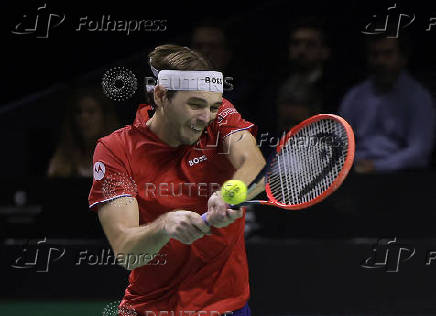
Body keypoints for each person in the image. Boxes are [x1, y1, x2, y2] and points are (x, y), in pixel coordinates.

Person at [88, 44, 266, 315]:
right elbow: (126, 250)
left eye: (213, 106)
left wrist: (230, 191)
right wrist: (164, 227)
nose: (205, 117)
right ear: (160, 95)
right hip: (152, 308)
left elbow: (253, 163)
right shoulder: (116, 149)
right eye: (194, 105)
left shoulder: (217, 117)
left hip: (227, 308)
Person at [339, 36, 435, 173]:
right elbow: (342, 143)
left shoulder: (418, 97)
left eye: (387, 54)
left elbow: (420, 151)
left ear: (403, 58)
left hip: (400, 175)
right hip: (356, 171)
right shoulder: (354, 96)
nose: (380, 61)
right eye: (375, 55)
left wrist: (378, 166)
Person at [48, 85, 120, 178]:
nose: (83, 117)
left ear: (104, 118)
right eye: (78, 112)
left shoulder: (119, 157)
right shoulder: (62, 158)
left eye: (91, 112)